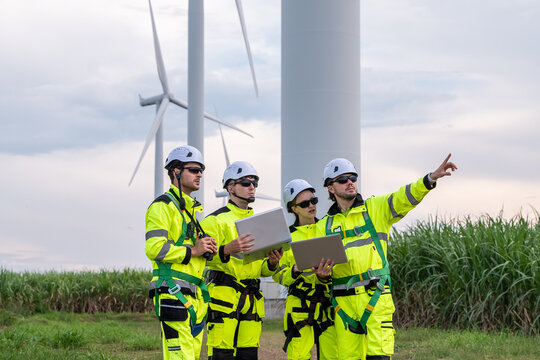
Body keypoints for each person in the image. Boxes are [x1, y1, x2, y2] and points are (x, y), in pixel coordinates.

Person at [316, 154, 457, 360]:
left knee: (379, 357)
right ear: (330, 187)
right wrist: (321, 275)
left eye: (353, 178)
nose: (350, 183)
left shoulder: (376, 209)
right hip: (342, 305)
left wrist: (429, 179)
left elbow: (404, 197)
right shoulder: (323, 227)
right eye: (343, 180)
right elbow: (319, 270)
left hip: (375, 298)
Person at [201, 161, 283, 360]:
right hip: (224, 299)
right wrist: (227, 249)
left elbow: (259, 267)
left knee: (248, 355)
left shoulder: (258, 223)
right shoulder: (214, 221)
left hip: (252, 301)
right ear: (230, 187)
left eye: (255, 182)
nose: (252, 187)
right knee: (222, 355)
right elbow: (202, 258)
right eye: (246, 183)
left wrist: (272, 263)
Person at [145, 145, 218, 360]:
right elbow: (154, 248)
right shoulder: (162, 207)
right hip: (173, 293)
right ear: (176, 172)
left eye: (201, 170)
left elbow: (190, 250)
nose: (199, 175)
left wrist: (205, 249)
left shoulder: (190, 211)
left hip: (193, 296)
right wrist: (193, 250)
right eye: (194, 170)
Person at [273, 179, 338, 360]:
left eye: (313, 201)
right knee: (299, 356)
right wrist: (292, 272)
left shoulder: (328, 229)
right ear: (293, 208)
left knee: (332, 356)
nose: (311, 205)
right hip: (299, 306)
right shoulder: (286, 239)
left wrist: (326, 277)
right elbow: (277, 274)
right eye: (304, 203)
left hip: (328, 305)